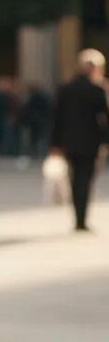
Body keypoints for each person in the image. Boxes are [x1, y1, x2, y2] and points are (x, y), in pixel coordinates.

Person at [51, 49, 109, 232]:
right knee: (85, 179)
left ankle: (78, 217)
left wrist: (55, 143)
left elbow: (58, 118)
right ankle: (81, 219)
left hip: (69, 142)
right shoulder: (97, 90)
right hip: (90, 142)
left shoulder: (67, 88)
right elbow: (104, 118)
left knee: (75, 179)